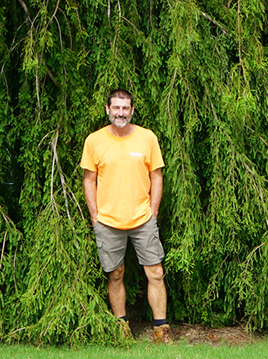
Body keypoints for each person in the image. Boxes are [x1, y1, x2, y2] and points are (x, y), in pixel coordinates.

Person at [80, 88, 171, 344]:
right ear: (108, 110)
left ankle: (161, 331)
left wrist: (152, 213)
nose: (121, 112)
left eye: (125, 108)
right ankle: (122, 329)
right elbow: (89, 180)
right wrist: (95, 217)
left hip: (143, 219)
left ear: (132, 110)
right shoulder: (94, 141)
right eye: (116, 108)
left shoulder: (147, 138)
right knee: (116, 274)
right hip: (108, 222)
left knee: (156, 273)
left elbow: (156, 175)